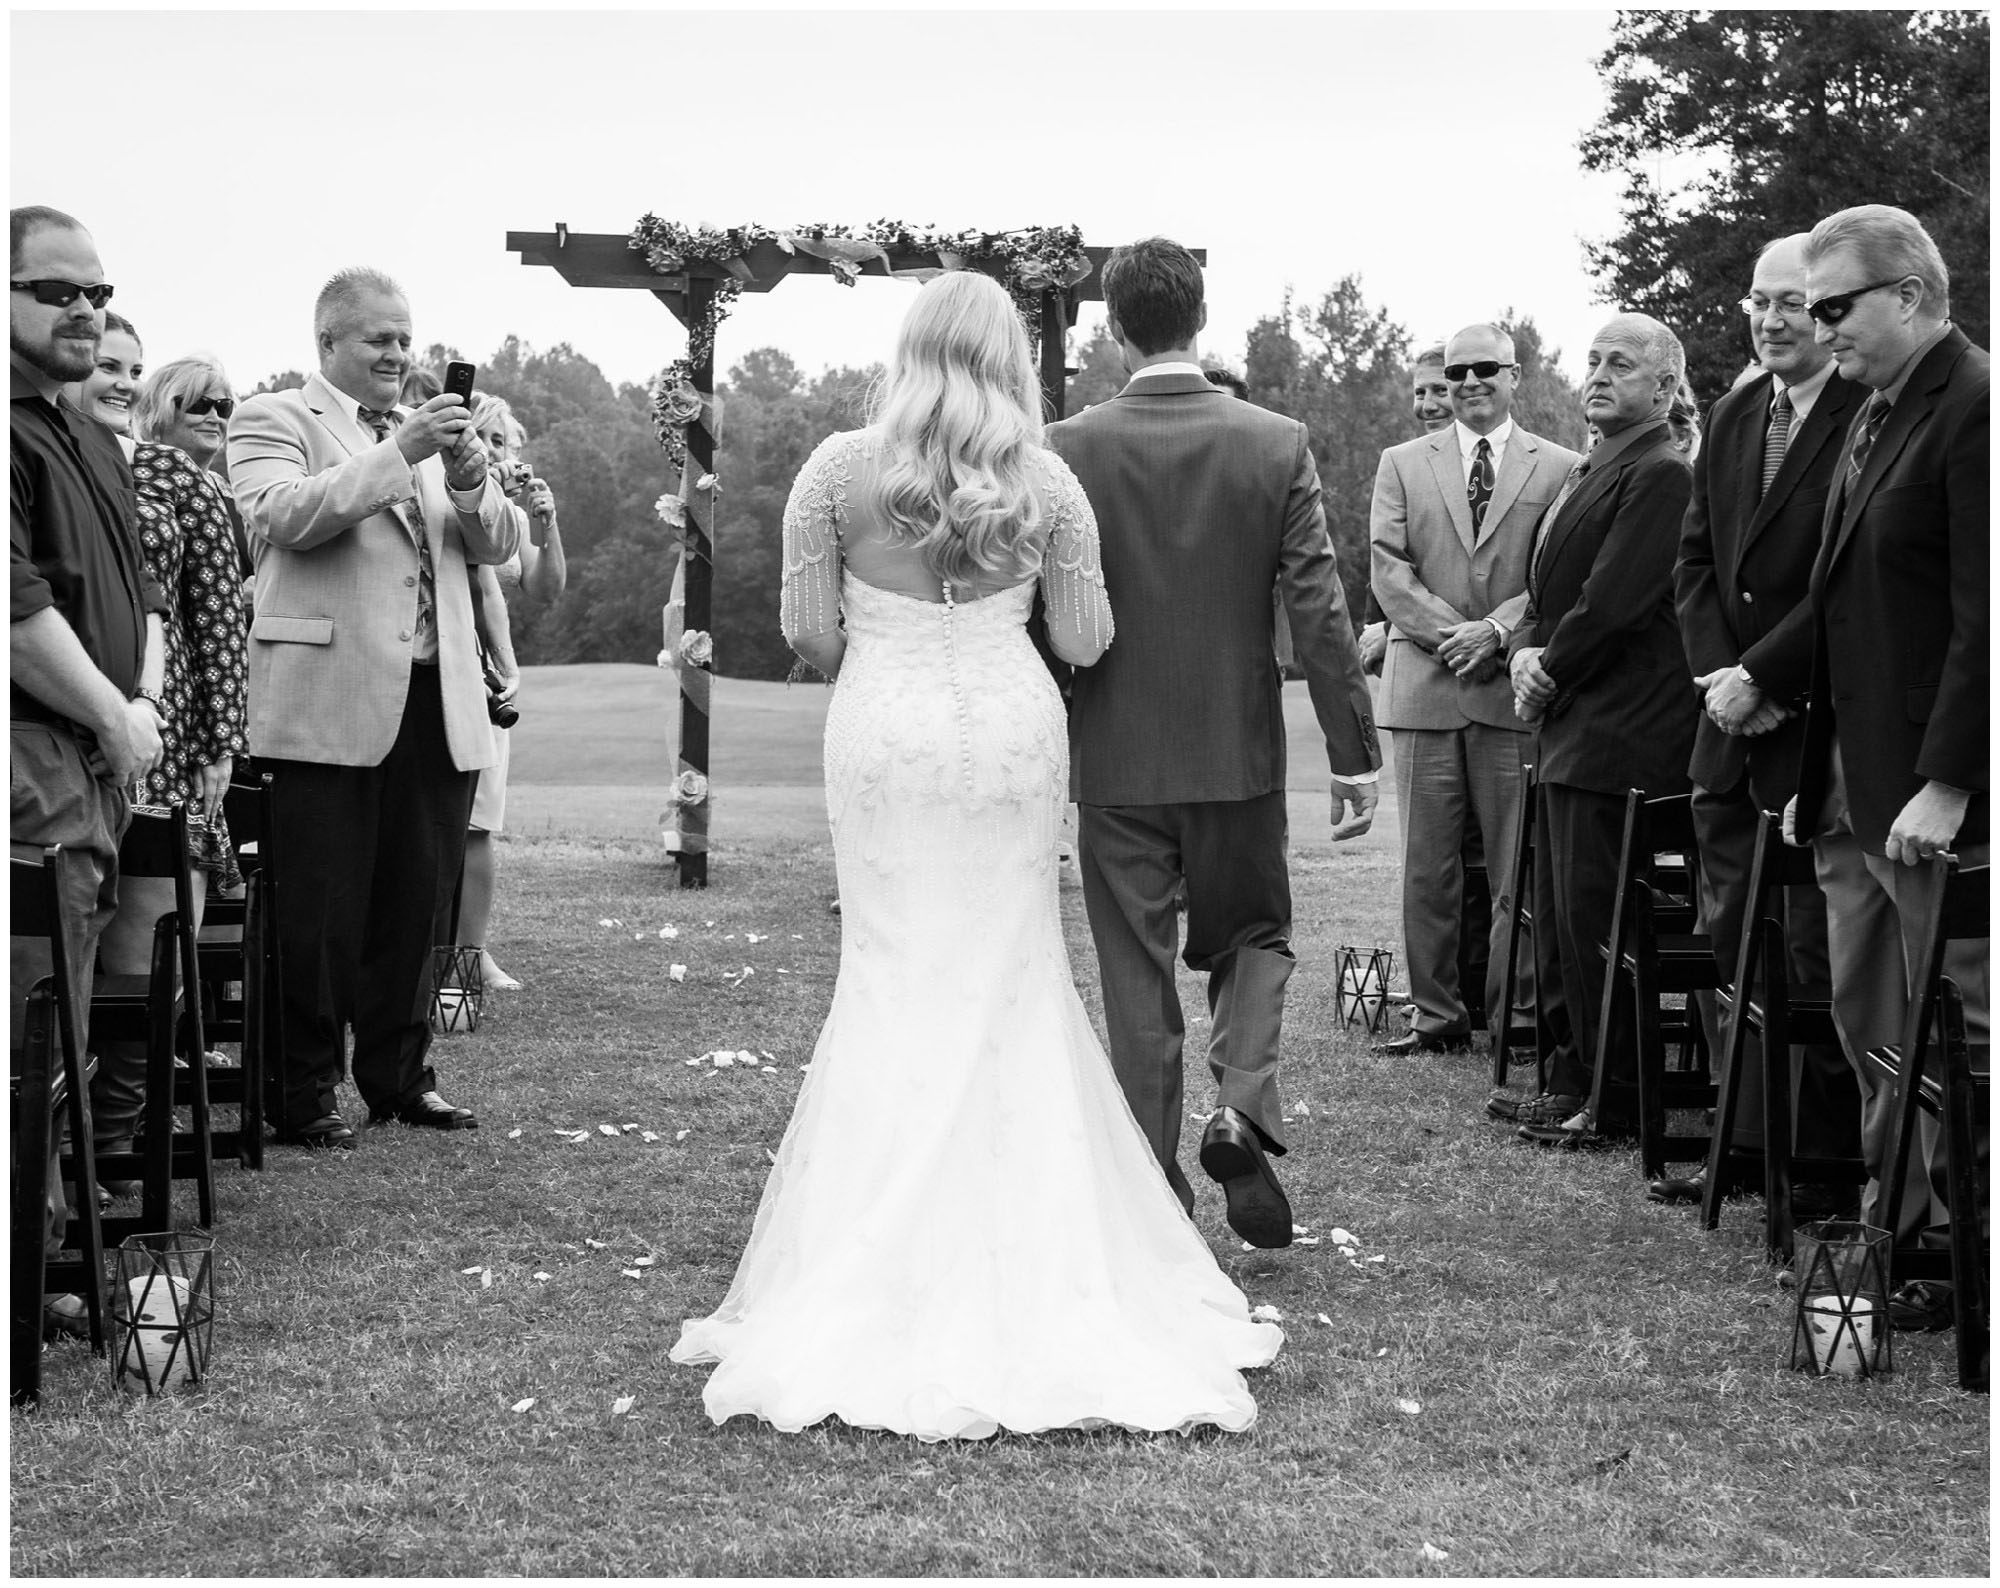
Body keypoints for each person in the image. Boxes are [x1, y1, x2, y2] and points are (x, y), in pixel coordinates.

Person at [671, 270, 1281, 1440]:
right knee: (1012, 972)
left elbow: (808, 635)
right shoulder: (1044, 480)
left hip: (885, 732)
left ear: (909, 348)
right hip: (1006, 730)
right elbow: (1084, 637)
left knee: (892, 972)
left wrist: (893, 629)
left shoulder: (835, 472)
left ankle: (871, 1248)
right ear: (1008, 357)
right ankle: (1034, 1247)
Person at [1047, 237, 1381, 1248]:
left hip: (1111, 755)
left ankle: (1150, 1188)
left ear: (1111, 326)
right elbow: (1320, 610)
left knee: (1134, 972)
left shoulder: (1064, 447)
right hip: (1234, 755)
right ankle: (1238, 1105)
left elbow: (1037, 610)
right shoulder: (1273, 441)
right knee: (1254, 936)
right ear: (1199, 315)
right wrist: (1353, 748)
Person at [227, 267, 517, 1150]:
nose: (397, 354)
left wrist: (468, 479)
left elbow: (498, 545)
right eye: (378, 339)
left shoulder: (430, 438)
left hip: (437, 696)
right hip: (326, 695)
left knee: (417, 903)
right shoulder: (273, 418)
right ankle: (301, 1093)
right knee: (317, 909)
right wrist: (404, 456)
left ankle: (401, 1080)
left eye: (405, 338)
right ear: (328, 344)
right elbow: (284, 517)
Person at [1789, 204, 1988, 1327]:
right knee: (1875, 1028)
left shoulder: (1976, 404)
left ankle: (1975, 1251)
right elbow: (1839, 607)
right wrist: (1806, 781)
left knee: (1956, 1028)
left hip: (1933, 799)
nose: (1821, 331)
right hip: (1848, 789)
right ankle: (1906, 1237)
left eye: (1835, 307)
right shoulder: (1871, 415)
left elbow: (1985, 619)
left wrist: (1951, 778)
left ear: (1907, 294)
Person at [1655, 233, 1866, 1210]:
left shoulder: (1870, 412)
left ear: (1827, 312)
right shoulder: (1739, 410)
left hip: (1814, 725)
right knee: (1734, 943)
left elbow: (1848, 576)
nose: (1772, 320)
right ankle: (1747, 1142)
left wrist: (1766, 674)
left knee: (1814, 959)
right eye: (1757, 301)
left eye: (1794, 303)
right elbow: (1695, 561)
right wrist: (1717, 676)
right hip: (1725, 730)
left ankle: (1822, 1176)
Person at [10, 206, 166, 1329]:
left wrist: (142, 703)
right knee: (22, 1027)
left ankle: (41, 1255)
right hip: (35, 755)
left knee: (59, 1023)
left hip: (93, 758)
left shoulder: (78, 430)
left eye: (97, 293)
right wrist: (113, 716)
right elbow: (15, 613)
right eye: (56, 290)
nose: (84, 310)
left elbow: (139, 591)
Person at [1503, 314, 1699, 1146]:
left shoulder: (1661, 474)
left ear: (1663, 387)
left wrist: (1547, 669)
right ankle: (1569, 1076)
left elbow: (1613, 604)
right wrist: (1520, 652)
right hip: (1573, 728)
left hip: (1621, 730)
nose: (1598, 374)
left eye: (1621, 364)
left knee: (1596, 923)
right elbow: (1543, 594)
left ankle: (1610, 1097)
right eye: (1592, 360)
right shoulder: (1592, 468)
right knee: (1560, 918)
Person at [1368, 324, 1579, 1056]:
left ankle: (1515, 1019)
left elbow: (1558, 573)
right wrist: (1451, 634)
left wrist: (1493, 630)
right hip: (1425, 689)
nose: (1468, 382)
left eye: (1485, 368)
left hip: (1511, 689)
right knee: (1427, 868)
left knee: (1514, 866)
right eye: (1456, 371)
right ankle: (1435, 1017)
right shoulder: (1400, 463)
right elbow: (1388, 568)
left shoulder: (1560, 466)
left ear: (1515, 375)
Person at [70, 317, 249, 1178]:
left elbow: (217, 618)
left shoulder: (174, 475)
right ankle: (58, 1156)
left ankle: (113, 1157)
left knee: (144, 958)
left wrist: (219, 748)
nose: (118, 380)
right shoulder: (40, 459)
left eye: (130, 369)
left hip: (168, 742)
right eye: (108, 365)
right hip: (57, 736)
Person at [450, 391, 566, 993]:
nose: (497, 451)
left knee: (478, 823)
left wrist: (547, 523)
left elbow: (545, 589)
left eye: (504, 442)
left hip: (491, 684)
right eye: (486, 438)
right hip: (450, 663)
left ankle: (471, 954)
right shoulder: (446, 500)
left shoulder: (514, 519)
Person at [131, 353, 252, 578]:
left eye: (223, 407)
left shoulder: (229, 490)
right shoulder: (137, 484)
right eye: (199, 405)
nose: (214, 417)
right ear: (160, 412)